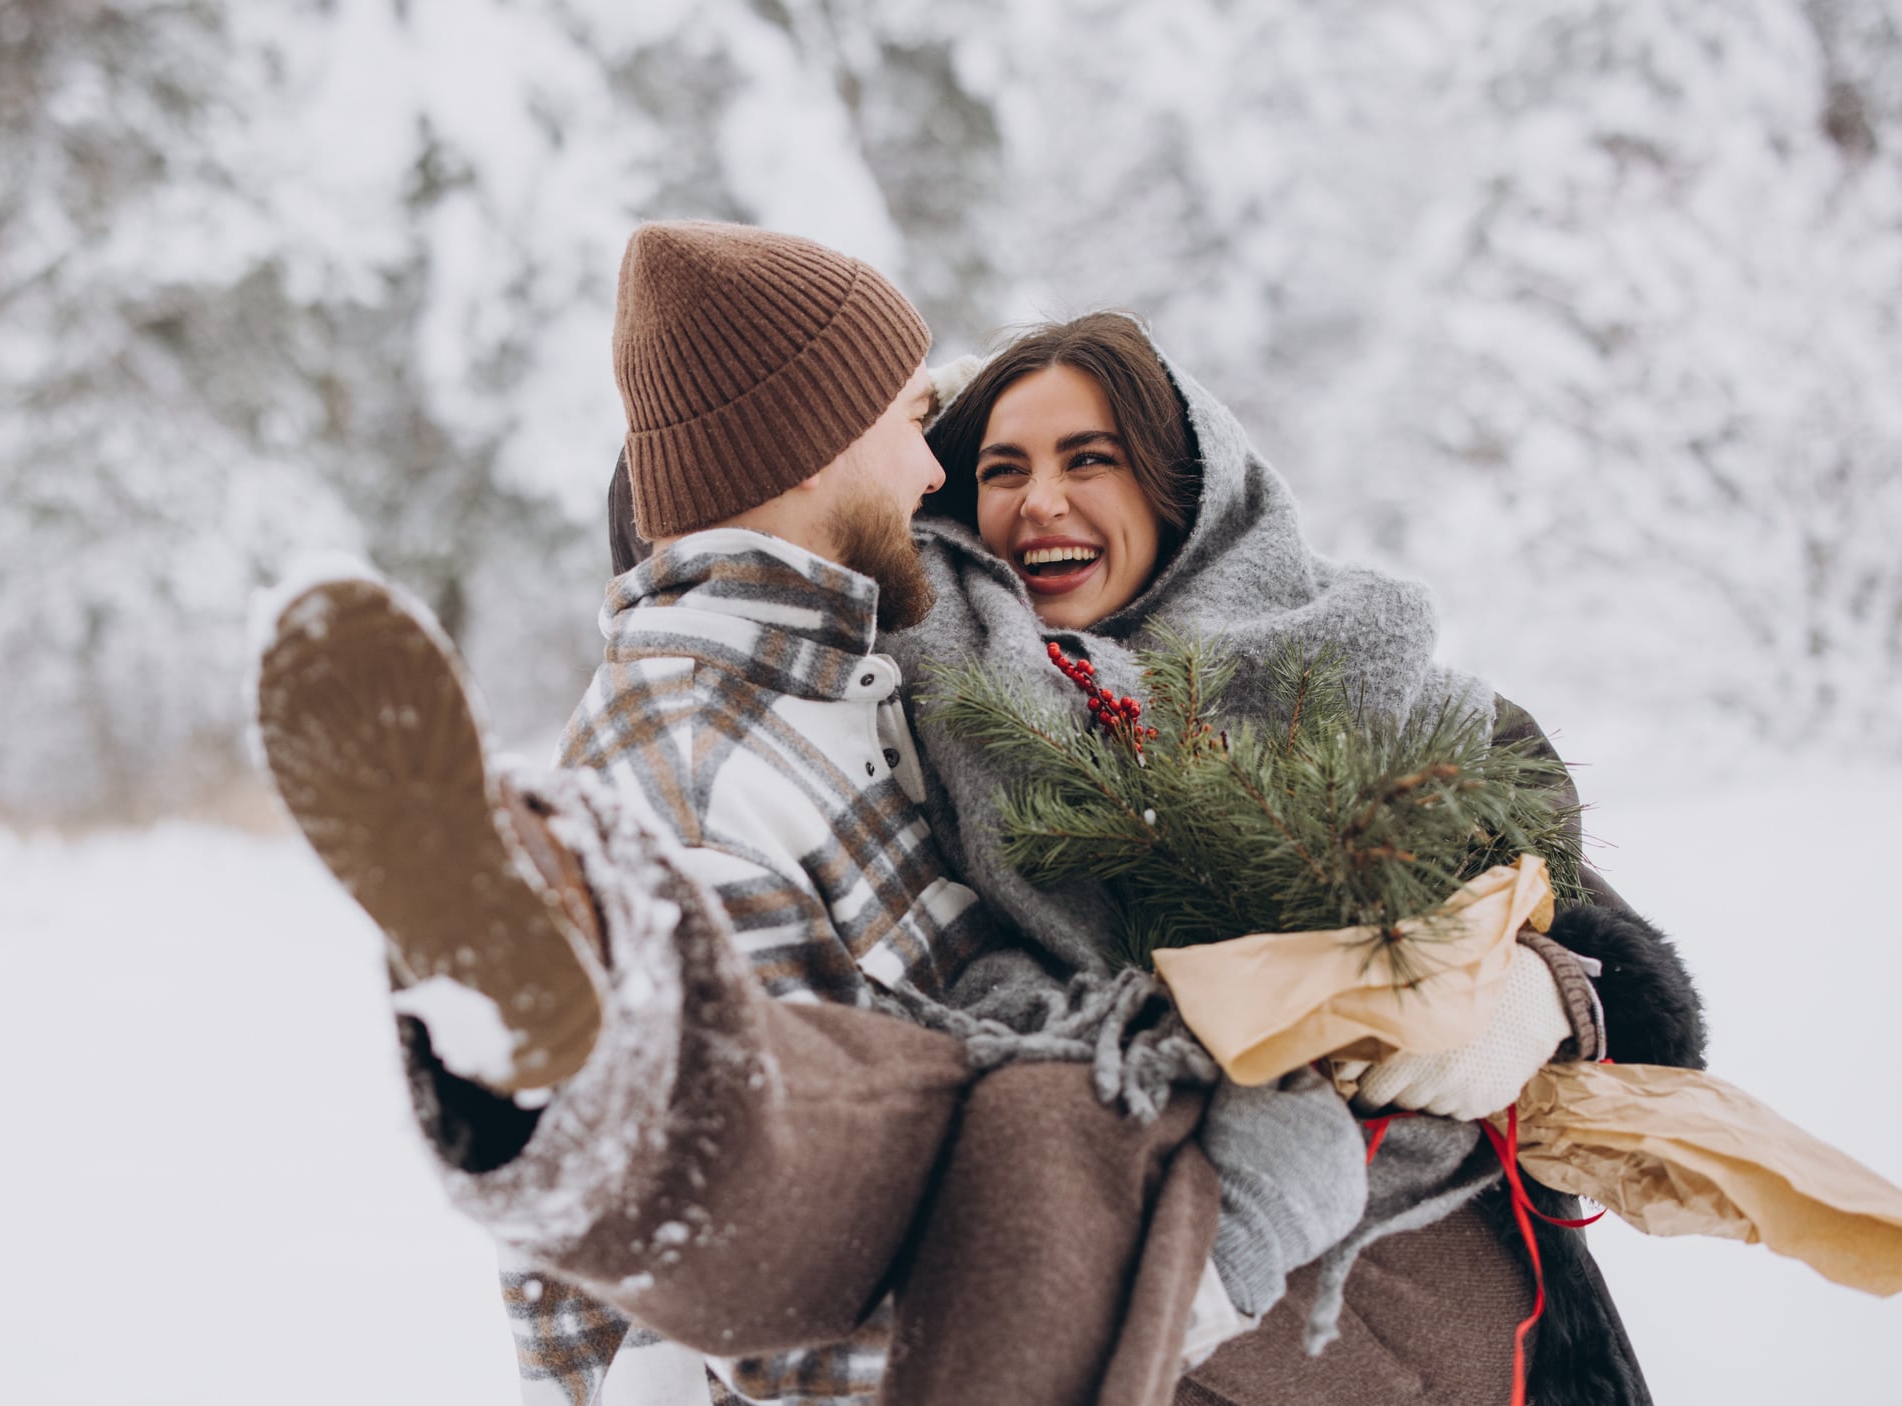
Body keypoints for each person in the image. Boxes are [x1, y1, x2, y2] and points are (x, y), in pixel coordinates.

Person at [259, 222, 1381, 1406]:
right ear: (807, 449)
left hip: (1026, 1221)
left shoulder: (845, 694)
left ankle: (561, 1006)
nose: (932, 469)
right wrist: (1214, 1248)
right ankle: (549, 1035)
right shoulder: (701, 768)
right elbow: (792, 1339)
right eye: (907, 419)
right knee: (734, 1136)